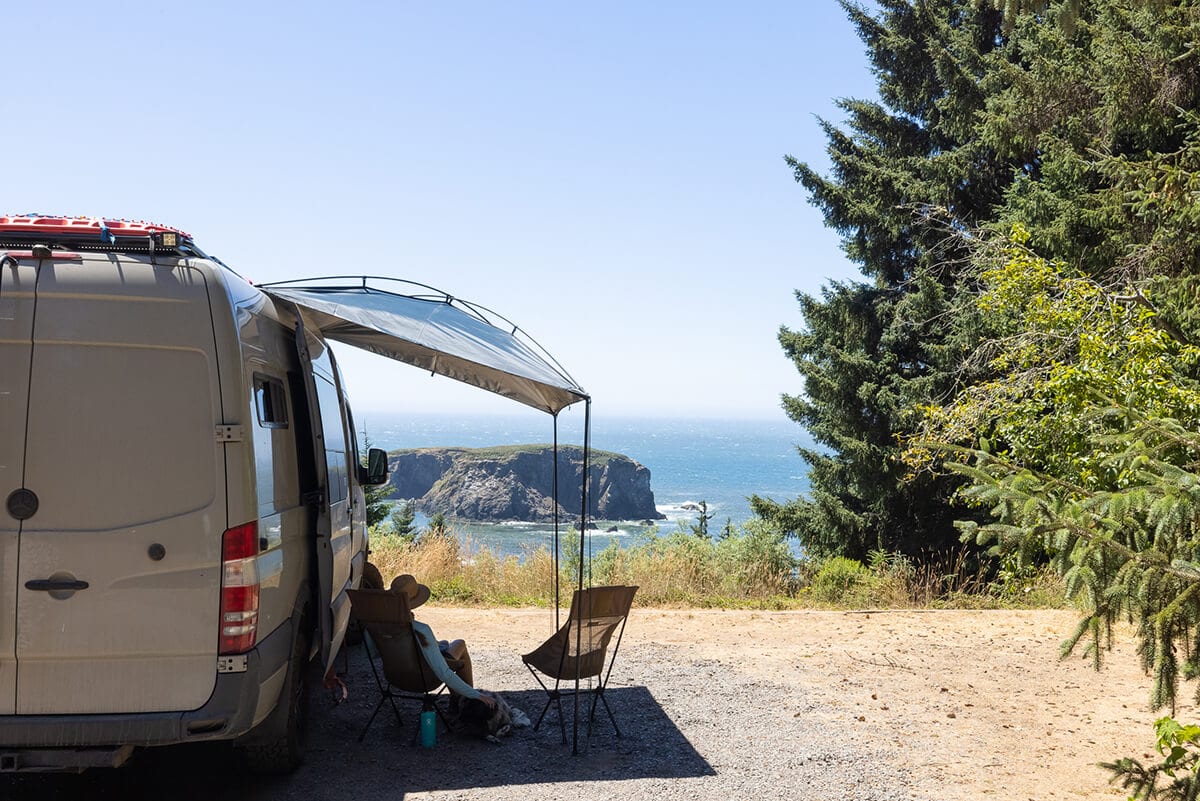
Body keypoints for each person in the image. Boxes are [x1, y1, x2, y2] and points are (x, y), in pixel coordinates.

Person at [388, 574, 496, 712]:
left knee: (444, 644)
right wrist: (478, 695)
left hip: (394, 675)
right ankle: (464, 701)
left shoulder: (378, 626)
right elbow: (443, 673)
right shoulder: (421, 630)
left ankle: (458, 699)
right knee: (460, 644)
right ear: (414, 602)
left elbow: (374, 653)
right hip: (424, 678)